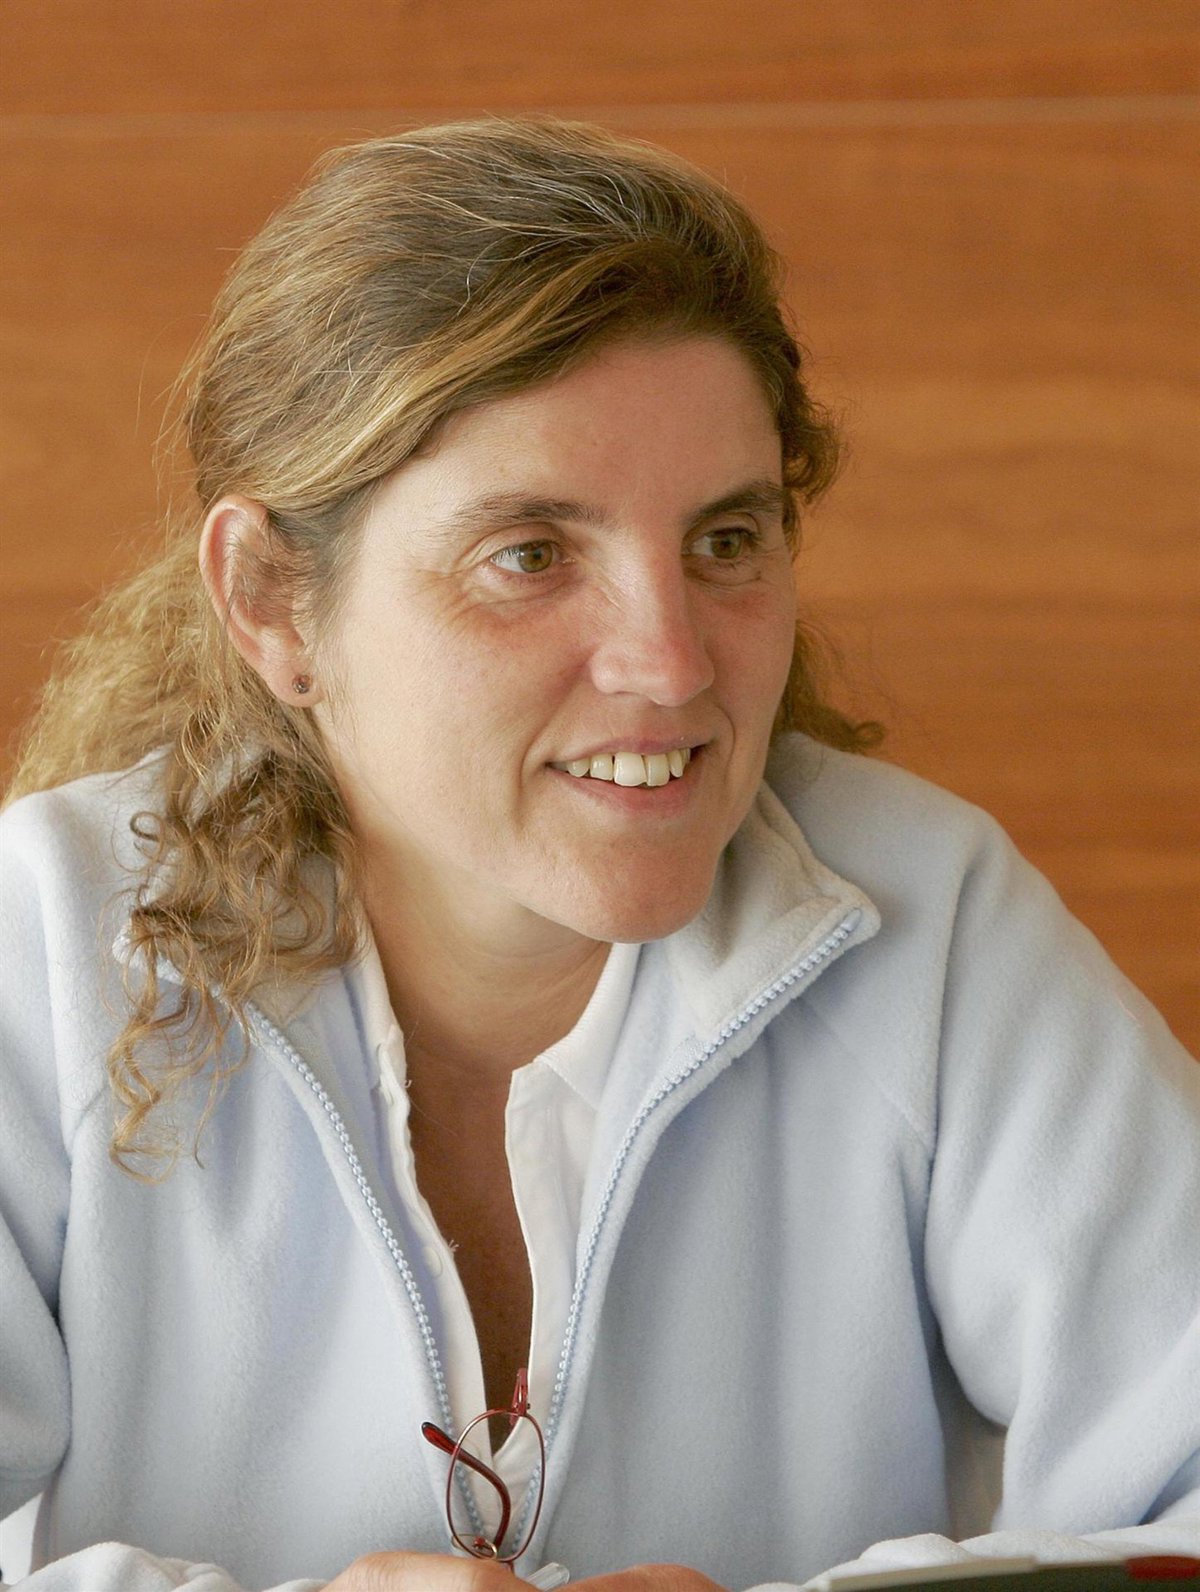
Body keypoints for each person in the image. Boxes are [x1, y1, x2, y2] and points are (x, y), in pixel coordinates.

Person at [0, 116, 1197, 1592]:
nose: (672, 663)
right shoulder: (47, 944)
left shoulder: (932, 924)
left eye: (726, 541)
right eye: (530, 554)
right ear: (272, 605)